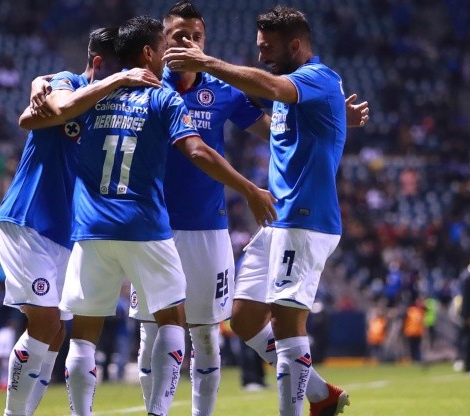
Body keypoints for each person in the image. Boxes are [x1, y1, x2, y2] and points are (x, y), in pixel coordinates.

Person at [129, 2, 369, 415]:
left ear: (295, 44)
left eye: (267, 48)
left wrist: (207, 63)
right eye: (258, 48)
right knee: (241, 320)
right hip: (253, 222)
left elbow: (271, 92)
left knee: (284, 322)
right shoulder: (148, 85)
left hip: (302, 219)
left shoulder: (316, 77)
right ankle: (318, 394)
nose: (261, 55)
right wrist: (336, 116)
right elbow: (280, 122)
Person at [36, 15, 275, 416]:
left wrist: (41, 86)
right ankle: (158, 413)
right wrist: (250, 189)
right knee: (170, 322)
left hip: (93, 229)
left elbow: (43, 113)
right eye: (169, 43)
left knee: (83, 337)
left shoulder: (88, 95)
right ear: (151, 50)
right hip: (147, 226)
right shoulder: (161, 96)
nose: (177, 50)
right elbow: (197, 151)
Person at [0, 26, 155, 416]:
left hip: (65, 235)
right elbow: (40, 114)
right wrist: (46, 82)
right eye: (117, 71)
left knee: (54, 336)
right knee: (45, 324)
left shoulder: (106, 109)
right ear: (99, 64)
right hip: (28, 220)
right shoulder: (65, 82)